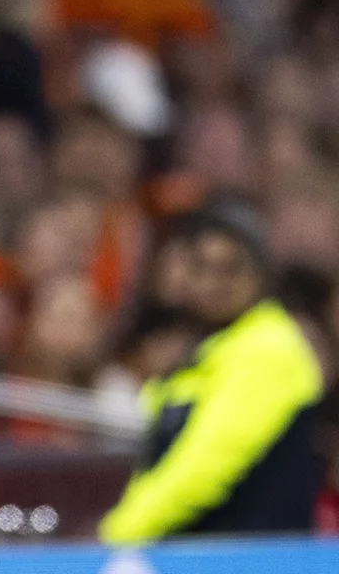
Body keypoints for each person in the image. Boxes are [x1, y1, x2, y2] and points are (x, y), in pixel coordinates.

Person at [100, 200, 326, 544]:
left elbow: (202, 470)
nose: (214, 282)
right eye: (201, 267)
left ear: (261, 274)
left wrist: (115, 534)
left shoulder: (270, 345)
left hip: (256, 562)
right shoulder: (208, 349)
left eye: (232, 268)